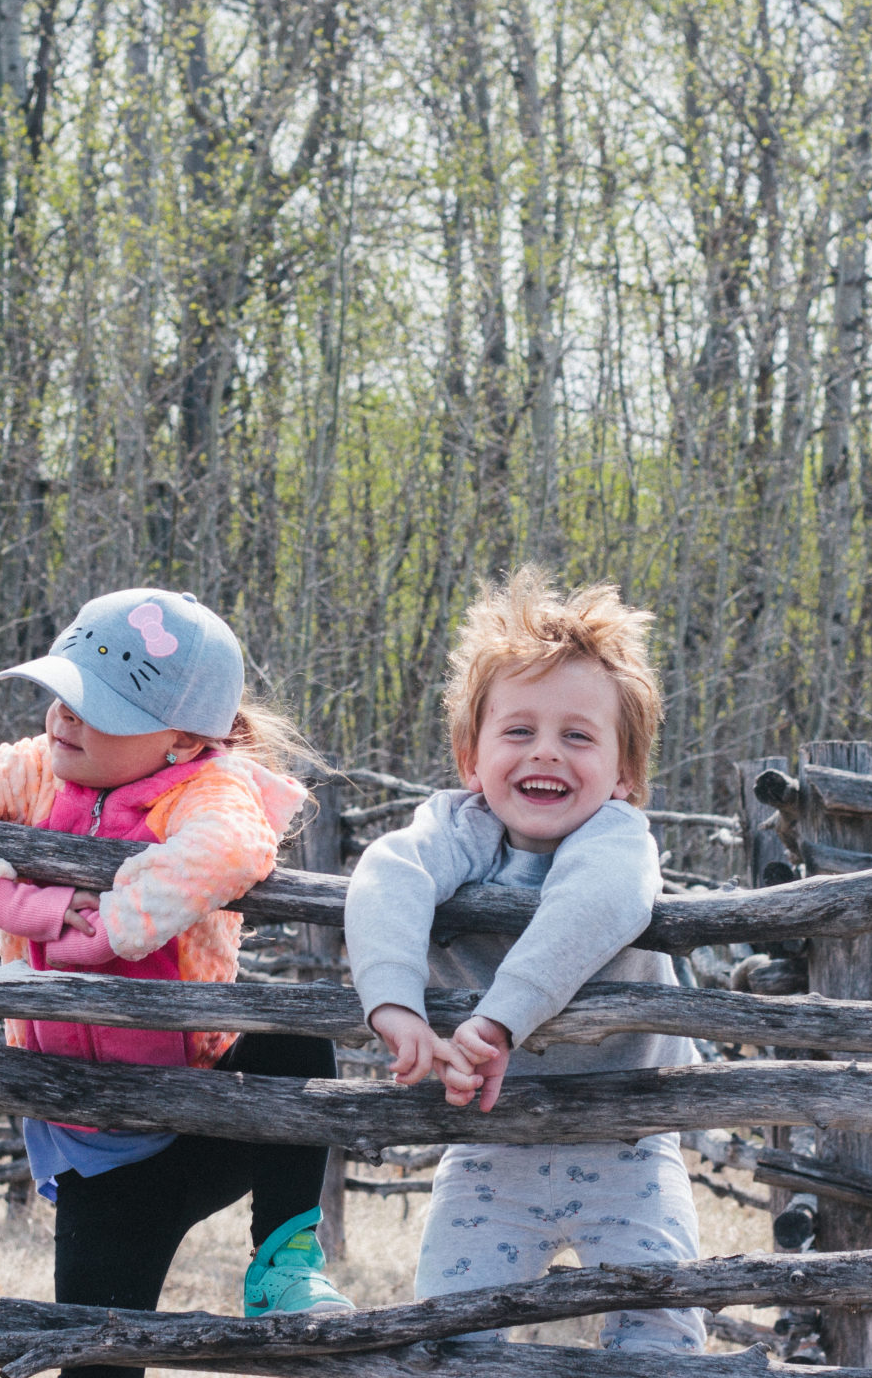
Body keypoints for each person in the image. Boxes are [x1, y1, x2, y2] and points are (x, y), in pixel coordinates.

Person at [0, 587, 352, 1375]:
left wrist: (111, 931)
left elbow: (231, 845)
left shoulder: (207, 787)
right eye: (62, 694)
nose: (65, 718)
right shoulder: (35, 773)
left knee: (295, 1038)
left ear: (186, 739)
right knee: (96, 1357)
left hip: (204, 1110)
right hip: (95, 1141)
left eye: (104, 710)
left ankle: (284, 1264)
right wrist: (32, 908)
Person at [344, 567, 704, 1353]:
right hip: (491, 1144)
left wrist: (500, 1019)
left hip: (627, 1144)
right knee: (452, 1337)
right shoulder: (456, 829)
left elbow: (597, 904)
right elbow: (385, 877)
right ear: (472, 758)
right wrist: (394, 1004)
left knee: (662, 1336)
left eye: (578, 736)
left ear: (625, 774)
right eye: (519, 732)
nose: (547, 752)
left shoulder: (617, 839)